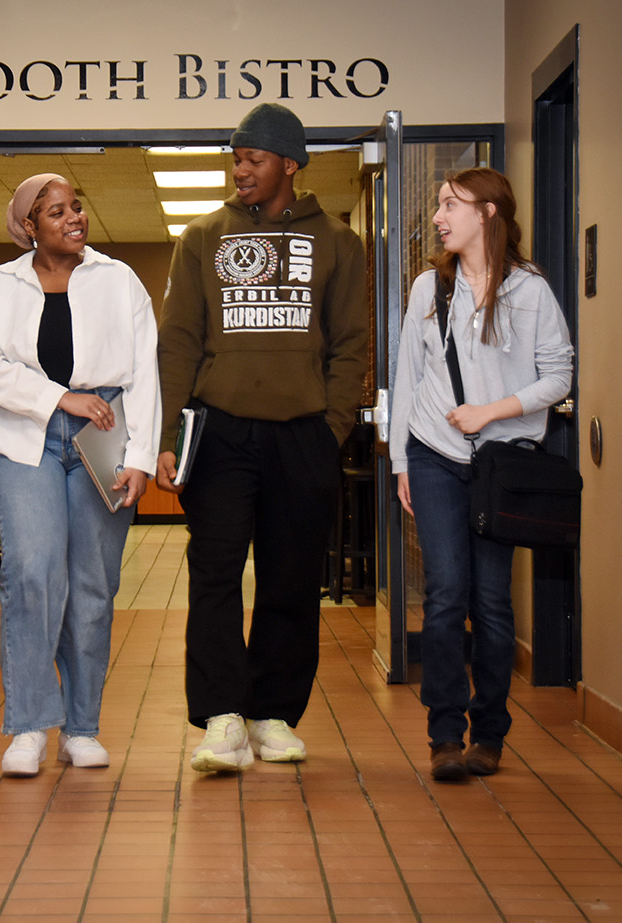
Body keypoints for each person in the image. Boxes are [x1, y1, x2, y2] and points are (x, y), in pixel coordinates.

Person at [155, 103, 370, 772]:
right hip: (220, 432)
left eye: (252, 158)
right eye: (236, 158)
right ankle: (222, 716)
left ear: (289, 164)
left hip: (302, 434)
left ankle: (273, 712)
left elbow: (351, 344)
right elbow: (180, 343)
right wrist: (167, 434)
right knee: (214, 571)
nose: (239, 169)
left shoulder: (337, 240)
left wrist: (329, 429)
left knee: (291, 577)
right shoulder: (202, 238)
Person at [0, 174, 161, 778]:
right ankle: (28, 726)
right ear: (30, 226)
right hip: (27, 437)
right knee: (30, 573)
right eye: (57, 211)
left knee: (93, 583)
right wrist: (58, 398)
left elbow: (145, 372)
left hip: (104, 432)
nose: (74, 217)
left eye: (77, 205)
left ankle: (81, 727)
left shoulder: (118, 279)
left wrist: (141, 455)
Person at [388, 167, 574, 781]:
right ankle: (445, 735)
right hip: (434, 456)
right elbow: (409, 377)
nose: (439, 216)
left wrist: (490, 412)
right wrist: (399, 460)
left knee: (491, 602)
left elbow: (559, 376)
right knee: (446, 596)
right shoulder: (429, 289)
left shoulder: (529, 290)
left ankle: (489, 732)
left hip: (501, 467)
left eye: (450, 204)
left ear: (487, 212)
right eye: (440, 204)